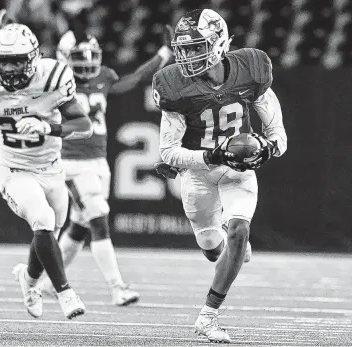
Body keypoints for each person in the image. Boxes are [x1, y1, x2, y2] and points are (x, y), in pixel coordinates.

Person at [152, 9, 287, 343]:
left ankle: (208, 315)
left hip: (237, 171)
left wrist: (265, 149)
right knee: (214, 248)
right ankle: (228, 247)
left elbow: (279, 139)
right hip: (199, 173)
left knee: (240, 229)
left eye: (196, 47)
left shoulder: (251, 70)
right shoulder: (174, 85)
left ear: (219, 42)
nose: (187, 56)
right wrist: (212, 155)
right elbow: (168, 152)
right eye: (183, 48)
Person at [0, 23, 93, 320]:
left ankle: (28, 282)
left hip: (52, 170)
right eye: (4, 61)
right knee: (42, 220)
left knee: (48, 235)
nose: (10, 67)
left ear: (33, 57)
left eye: (17, 59)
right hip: (13, 168)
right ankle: (65, 293)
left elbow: (84, 126)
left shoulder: (52, 78)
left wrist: (48, 126)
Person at [37, 29, 173, 305]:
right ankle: (117, 287)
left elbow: (132, 80)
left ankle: (48, 284)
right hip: (72, 163)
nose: (86, 62)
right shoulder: (54, 83)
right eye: (78, 57)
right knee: (98, 218)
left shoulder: (104, 77)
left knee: (79, 225)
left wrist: (163, 54)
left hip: (98, 161)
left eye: (90, 56)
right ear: (64, 58)